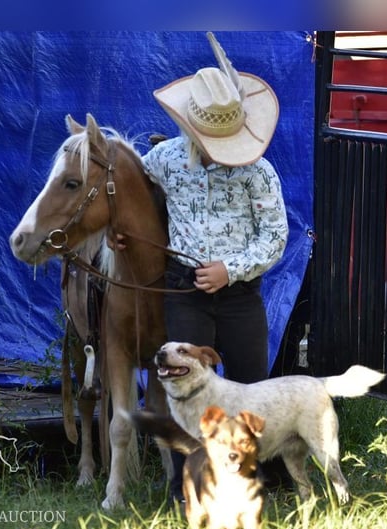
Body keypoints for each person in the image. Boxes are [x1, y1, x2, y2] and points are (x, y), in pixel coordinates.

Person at [140, 32, 290, 503]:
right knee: (182, 391)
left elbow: (275, 235)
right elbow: (136, 195)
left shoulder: (258, 172)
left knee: (249, 385)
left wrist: (232, 269)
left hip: (239, 294)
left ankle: (249, 481)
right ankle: (187, 489)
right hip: (184, 290)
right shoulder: (163, 160)